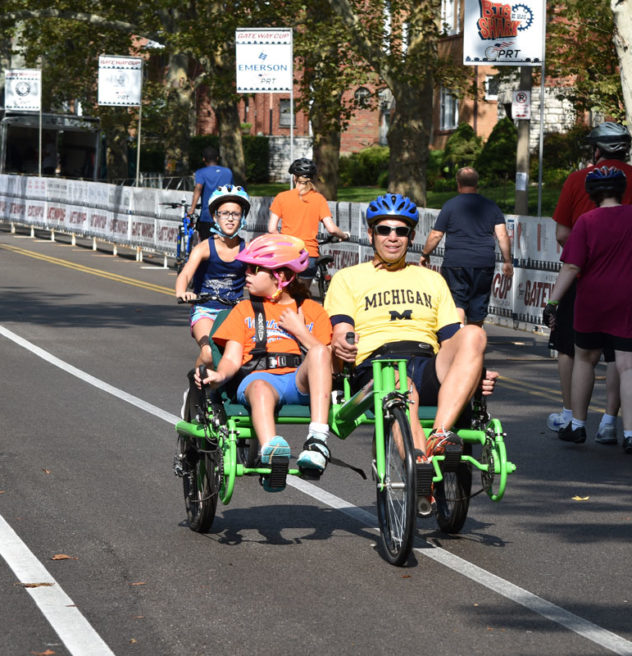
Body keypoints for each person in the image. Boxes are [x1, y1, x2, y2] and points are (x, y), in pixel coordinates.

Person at [324, 193, 497, 469]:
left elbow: (453, 338)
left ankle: (440, 435)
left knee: (475, 334)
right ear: (371, 234)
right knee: (399, 383)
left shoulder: (432, 279)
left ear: (411, 237)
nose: (393, 237)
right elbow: (342, 327)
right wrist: (343, 341)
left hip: (427, 361)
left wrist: (475, 366)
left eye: (401, 231)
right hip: (377, 367)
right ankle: (419, 466)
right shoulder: (348, 278)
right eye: (384, 229)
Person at [197, 233, 335, 490]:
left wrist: (300, 331)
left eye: (255, 269)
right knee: (260, 387)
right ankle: (272, 453)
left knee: (318, 352)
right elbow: (231, 359)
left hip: (300, 381)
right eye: (246, 267)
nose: (246, 273)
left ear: (280, 277)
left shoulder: (313, 311)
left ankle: (317, 441)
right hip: (258, 378)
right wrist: (219, 375)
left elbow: (329, 361)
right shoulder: (244, 310)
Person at [547, 122, 632, 442]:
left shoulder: (577, 183)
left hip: (586, 285)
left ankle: (573, 418)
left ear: (597, 150)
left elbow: (563, 239)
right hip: (627, 289)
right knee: (623, 359)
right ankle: (613, 422)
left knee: (575, 351)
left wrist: (553, 299)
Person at [420, 166, 513, 326]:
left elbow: (436, 234)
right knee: (478, 304)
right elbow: (502, 235)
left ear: (458, 183)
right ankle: (473, 343)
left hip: (456, 262)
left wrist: (425, 254)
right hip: (483, 262)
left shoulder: (450, 205)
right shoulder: (491, 206)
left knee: (457, 301)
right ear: (477, 183)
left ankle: (458, 338)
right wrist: (507, 261)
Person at [176, 185, 249, 368]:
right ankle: (195, 388)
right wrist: (182, 292)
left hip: (235, 312)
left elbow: (259, 279)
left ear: (242, 218)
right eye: (225, 213)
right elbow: (185, 274)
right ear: (216, 216)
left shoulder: (247, 249)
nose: (230, 218)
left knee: (246, 357)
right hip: (205, 311)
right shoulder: (204, 248)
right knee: (209, 353)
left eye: (235, 214)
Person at [268, 157, 349, 282]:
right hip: (308, 256)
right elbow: (332, 229)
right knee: (303, 296)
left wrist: (283, 242)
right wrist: (343, 235)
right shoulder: (319, 199)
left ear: (294, 177)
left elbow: (272, 229)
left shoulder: (282, 198)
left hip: (288, 254)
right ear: (312, 178)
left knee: (286, 297)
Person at [189, 146, 234, 241]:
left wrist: (192, 209)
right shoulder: (228, 172)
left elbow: (198, 188)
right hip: (227, 216)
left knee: (207, 245)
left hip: (208, 216)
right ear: (217, 158)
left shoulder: (201, 173)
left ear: (203, 159)